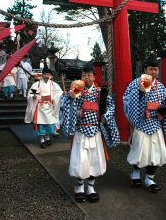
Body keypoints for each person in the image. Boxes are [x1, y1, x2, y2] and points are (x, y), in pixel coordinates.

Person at [60, 63, 120, 203]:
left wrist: (105, 116)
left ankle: (91, 188)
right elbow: (65, 106)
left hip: (96, 131)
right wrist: (70, 98)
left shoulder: (101, 92)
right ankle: (80, 187)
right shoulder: (77, 91)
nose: (86, 78)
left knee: (94, 159)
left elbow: (111, 106)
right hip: (81, 131)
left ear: (94, 77)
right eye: (83, 75)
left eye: (89, 75)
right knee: (81, 160)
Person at [123, 54, 166, 192]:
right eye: (151, 69)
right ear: (145, 69)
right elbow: (126, 100)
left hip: (156, 123)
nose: (153, 72)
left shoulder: (161, 87)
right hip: (141, 123)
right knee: (139, 150)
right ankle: (135, 174)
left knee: (156, 151)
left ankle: (149, 178)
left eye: (156, 69)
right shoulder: (135, 83)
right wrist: (139, 93)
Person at [25, 65, 66, 148]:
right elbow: (31, 94)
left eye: (48, 74)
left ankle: (47, 137)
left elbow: (58, 93)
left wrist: (62, 94)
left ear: (50, 75)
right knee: (41, 124)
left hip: (50, 106)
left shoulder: (54, 84)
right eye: (44, 74)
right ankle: (42, 139)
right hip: (40, 106)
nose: (46, 76)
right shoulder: (36, 84)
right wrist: (34, 97)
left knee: (49, 124)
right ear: (42, 75)